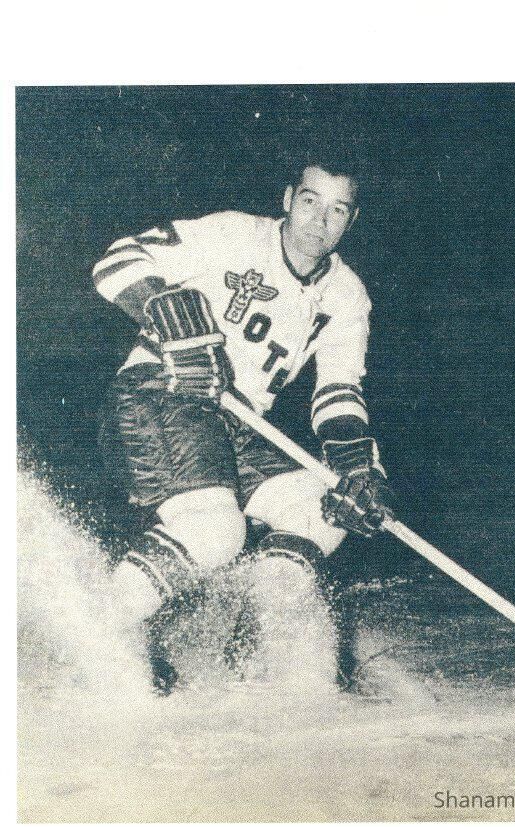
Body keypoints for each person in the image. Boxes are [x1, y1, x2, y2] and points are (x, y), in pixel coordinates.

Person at [94, 156, 393, 694]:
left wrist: (357, 469)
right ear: (288, 200)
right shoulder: (236, 234)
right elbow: (117, 260)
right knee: (215, 530)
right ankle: (98, 635)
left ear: (352, 220)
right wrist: (174, 319)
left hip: (237, 419)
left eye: (337, 209)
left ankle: (252, 653)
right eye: (310, 201)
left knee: (325, 510)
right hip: (163, 390)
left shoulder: (347, 294)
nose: (319, 220)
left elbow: (338, 390)